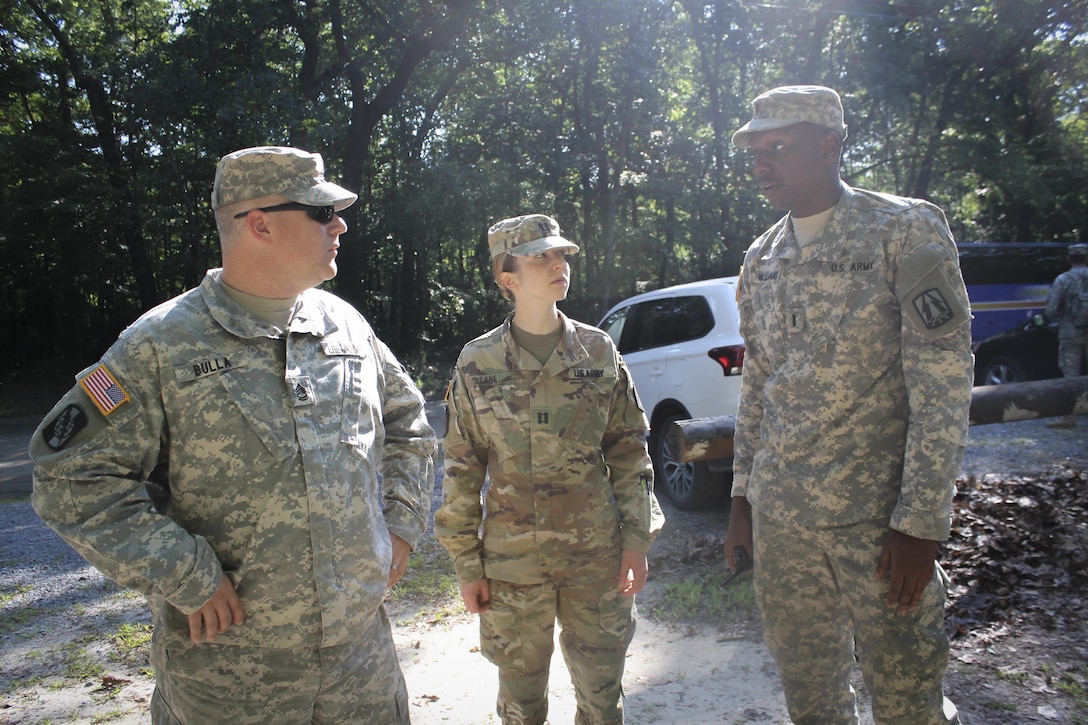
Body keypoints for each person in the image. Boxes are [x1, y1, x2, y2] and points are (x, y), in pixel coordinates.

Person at [29, 146, 437, 724]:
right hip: (232, 680)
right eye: (321, 213)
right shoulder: (161, 343)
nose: (340, 224)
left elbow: (409, 426)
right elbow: (69, 477)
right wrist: (183, 572)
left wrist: (400, 523)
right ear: (260, 223)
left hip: (359, 667)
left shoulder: (346, 326)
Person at [722, 86, 973, 725]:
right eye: (755, 148)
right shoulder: (761, 257)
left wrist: (920, 522)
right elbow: (758, 386)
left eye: (779, 146)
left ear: (831, 144)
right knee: (812, 702)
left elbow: (941, 380)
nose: (761, 161)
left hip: (878, 524)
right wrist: (740, 501)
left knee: (908, 700)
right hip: (784, 525)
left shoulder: (903, 230)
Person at [434, 214, 664, 725]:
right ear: (508, 278)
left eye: (561, 255)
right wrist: (467, 564)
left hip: (595, 558)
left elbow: (629, 451)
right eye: (541, 257)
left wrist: (636, 541)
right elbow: (462, 465)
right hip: (512, 562)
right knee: (521, 704)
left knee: (602, 698)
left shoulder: (598, 351)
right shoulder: (478, 362)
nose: (558, 264)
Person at [1042, 242, 1088, 429]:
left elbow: (1051, 309)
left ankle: (1068, 417)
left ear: (1069, 259)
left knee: (1070, 375)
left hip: (1071, 332)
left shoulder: (1063, 279)